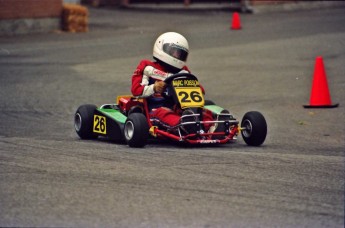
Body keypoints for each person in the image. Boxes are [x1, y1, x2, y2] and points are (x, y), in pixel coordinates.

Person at [130, 32, 222, 134]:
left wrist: (196, 89)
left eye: (180, 54)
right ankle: (183, 125)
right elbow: (136, 90)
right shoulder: (147, 67)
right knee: (164, 113)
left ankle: (212, 127)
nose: (177, 56)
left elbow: (199, 89)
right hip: (155, 109)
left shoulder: (183, 71)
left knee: (202, 112)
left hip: (179, 107)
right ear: (161, 48)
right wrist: (154, 88)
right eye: (174, 52)